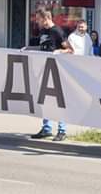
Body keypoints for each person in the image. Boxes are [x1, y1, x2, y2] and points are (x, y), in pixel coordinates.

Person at [30, 9, 72, 141]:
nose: (37, 22)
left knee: (58, 100)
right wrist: (28, 48)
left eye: (38, 19)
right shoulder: (43, 31)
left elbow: (70, 50)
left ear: (46, 18)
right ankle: (46, 128)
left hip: (56, 70)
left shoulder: (57, 31)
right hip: (44, 69)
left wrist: (59, 51)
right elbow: (43, 48)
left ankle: (62, 130)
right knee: (44, 100)